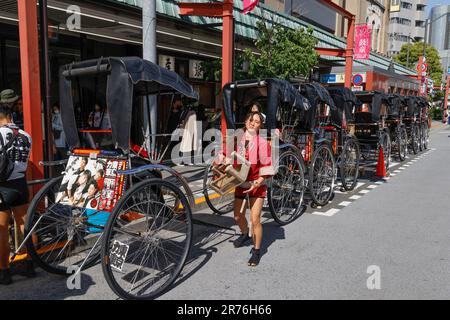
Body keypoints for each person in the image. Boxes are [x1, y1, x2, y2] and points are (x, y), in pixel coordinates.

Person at [231, 112, 275, 267]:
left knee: (255, 218)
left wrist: (257, 183)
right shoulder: (237, 140)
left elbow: (267, 168)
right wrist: (223, 159)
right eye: (251, 120)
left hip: (257, 183)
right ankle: (245, 234)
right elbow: (225, 156)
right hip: (240, 182)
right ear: (245, 121)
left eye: (257, 122)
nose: (253, 123)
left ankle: (256, 251)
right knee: (237, 217)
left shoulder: (262, 143)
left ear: (259, 125)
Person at [0, 106, 33, 285]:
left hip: (2, 186)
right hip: (20, 183)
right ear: (11, 116)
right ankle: (30, 265)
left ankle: (4, 272)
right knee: (24, 224)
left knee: (2, 229)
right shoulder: (26, 135)